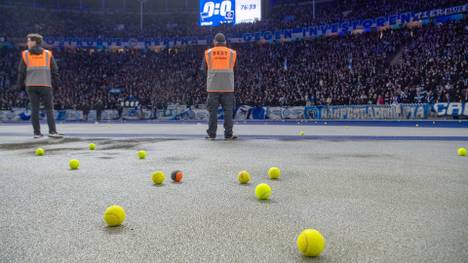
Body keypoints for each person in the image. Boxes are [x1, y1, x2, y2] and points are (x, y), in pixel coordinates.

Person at [17, 33, 63, 138]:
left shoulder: (25, 54)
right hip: (45, 84)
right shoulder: (48, 54)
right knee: (49, 109)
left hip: (31, 85)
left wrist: (20, 86)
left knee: (35, 109)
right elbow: (55, 70)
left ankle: (37, 133)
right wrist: (57, 84)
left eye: (28, 41)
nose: (27, 43)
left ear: (34, 42)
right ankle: (52, 132)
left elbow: (21, 72)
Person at [204, 33, 237, 140]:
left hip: (213, 87)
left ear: (214, 42)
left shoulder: (209, 53)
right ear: (225, 42)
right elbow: (236, 68)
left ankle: (212, 134)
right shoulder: (232, 53)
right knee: (228, 111)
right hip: (228, 86)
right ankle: (228, 134)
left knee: (212, 111)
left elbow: (203, 69)